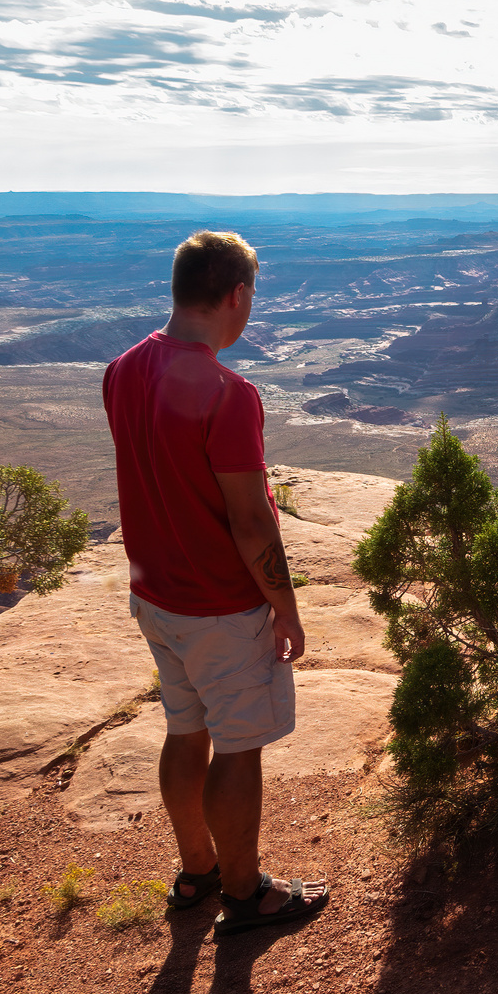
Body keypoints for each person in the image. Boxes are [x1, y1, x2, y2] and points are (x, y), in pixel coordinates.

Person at [103, 230, 330, 936]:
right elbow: (252, 522)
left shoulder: (121, 369)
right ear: (236, 296)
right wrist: (284, 609)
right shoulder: (228, 394)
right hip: (219, 608)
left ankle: (195, 869)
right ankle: (245, 893)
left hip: (156, 598)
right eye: (251, 298)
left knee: (184, 727)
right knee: (236, 745)